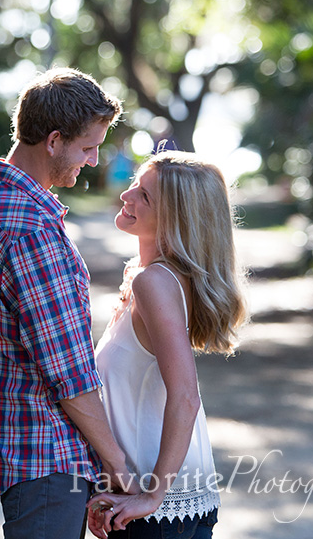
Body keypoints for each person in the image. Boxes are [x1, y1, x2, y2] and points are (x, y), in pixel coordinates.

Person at [0, 67, 137, 539]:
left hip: (31, 456)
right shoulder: (28, 227)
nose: (95, 160)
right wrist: (116, 464)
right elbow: (67, 373)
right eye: (88, 147)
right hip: (47, 459)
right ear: (53, 141)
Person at [86, 151, 248, 538]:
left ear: (175, 218)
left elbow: (186, 396)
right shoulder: (151, 277)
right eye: (135, 185)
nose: (126, 195)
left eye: (144, 195)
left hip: (155, 509)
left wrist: (151, 496)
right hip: (170, 502)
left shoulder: (155, 283)